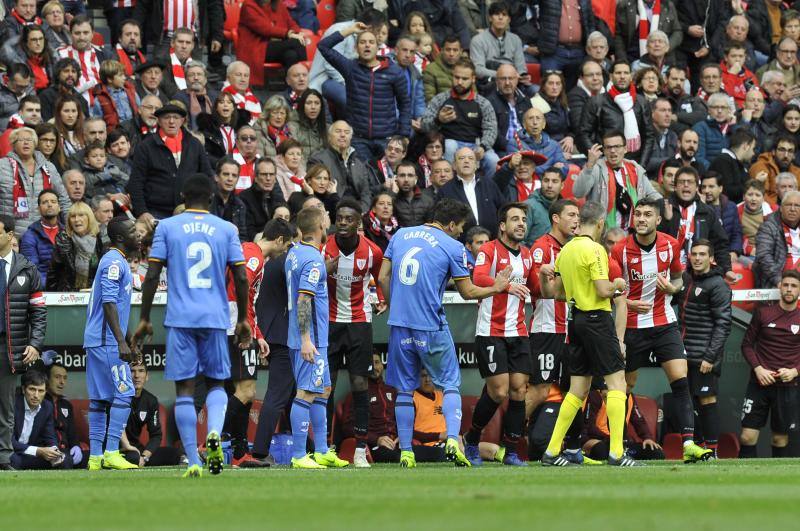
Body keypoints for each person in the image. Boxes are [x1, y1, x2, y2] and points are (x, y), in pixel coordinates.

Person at [132, 174, 252, 478]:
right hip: (214, 318)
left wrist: (144, 317)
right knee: (216, 383)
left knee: (185, 389)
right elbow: (241, 277)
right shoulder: (226, 229)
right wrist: (242, 318)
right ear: (211, 198)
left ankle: (194, 460)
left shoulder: (167, 227)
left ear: (183, 197)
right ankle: (214, 432)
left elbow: (151, 275)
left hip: (180, 318)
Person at [377, 198, 511, 468]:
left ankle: (406, 453)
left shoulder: (400, 235)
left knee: (404, 390)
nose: (461, 233)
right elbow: (468, 292)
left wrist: (395, 306)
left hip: (400, 325)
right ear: (450, 224)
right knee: (449, 384)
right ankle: (452, 440)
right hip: (431, 326)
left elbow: (382, 277)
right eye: (460, 227)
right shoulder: (452, 246)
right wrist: (497, 287)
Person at [610, 198, 714, 463]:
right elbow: (609, 292)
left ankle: (688, 444)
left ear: (658, 220)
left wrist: (673, 288)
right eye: (638, 214)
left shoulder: (670, 244)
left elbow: (678, 279)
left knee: (680, 379)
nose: (641, 219)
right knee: (624, 386)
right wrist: (628, 302)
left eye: (648, 214)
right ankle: (618, 445)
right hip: (632, 326)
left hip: (664, 322)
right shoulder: (620, 250)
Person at [536, 201, 635, 467]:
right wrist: (618, 284)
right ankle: (617, 453)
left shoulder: (566, 250)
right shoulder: (595, 249)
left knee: (577, 389)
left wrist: (545, 277)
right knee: (617, 385)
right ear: (600, 223)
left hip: (575, 321)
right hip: (596, 320)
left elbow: (555, 293)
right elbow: (604, 290)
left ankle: (551, 452)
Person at [464, 202, 533, 467]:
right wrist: (503, 286)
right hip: (491, 331)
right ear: (502, 225)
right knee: (499, 391)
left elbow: (535, 286)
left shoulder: (526, 255)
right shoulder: (489, 250)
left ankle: (511, 451)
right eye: (515, 219)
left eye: (523, 219)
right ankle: (472, 439)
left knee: (519, 390)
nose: (521, 223)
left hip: (519, 331)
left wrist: (547, 276)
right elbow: (478, 277)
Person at [223, 218, 293, 467]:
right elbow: (240, 282)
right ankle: (212, 439)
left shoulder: (249, 251)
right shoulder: (254, 256)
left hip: (238, 326)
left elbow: (249, 298)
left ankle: (240, 452)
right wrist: (244, 326)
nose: (285, 252)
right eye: (287, 246)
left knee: (242, 392)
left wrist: (258, 333)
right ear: (279, 240)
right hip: (236, 328)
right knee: (247, 391)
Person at [283, 206, 348, 469]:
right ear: (321, 225)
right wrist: (306, 339)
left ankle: (321, 450)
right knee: (307, 392)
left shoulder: (295, 252)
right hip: (310, 339)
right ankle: (299, 454)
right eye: (327, 217)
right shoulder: (312, 260)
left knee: (322, 391)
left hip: (310, 337)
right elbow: (303, 300)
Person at [323, 199, 386, 467]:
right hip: (329, 322)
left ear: (358, 223)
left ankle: (360, 449)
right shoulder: (324, 247)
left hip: (359, 322)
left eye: (349, 219)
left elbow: (380, 278)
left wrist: (381, 298)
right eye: (340, 218)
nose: (343, 223)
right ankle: (325, 446)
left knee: (360, 383)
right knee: (326, 386)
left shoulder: (372, 251)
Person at [81, 216, 141, 471]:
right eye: (133, 231)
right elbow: (108, 302)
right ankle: (112, 451)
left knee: (99, 400)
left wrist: (129, 339)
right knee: (124, 392)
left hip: (99, 340)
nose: (138, 235)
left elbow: (116, 306)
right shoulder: (114, 262)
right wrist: (120, 342)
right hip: (106, 341)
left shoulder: (115, 260)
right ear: (119, 238)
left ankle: (95, 457)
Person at [318, 21, 411, 161]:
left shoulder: (394, 72)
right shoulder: (350, 68)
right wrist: (350, 30)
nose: (367, 45)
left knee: (386, 174)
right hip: (358, 139)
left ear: (377, 47)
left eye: (371, 42)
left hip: (386, 139)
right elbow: (323, 46)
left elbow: (405, 104)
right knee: (362, 174)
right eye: (362, 42)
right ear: (356, 48)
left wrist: (403, 135)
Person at [526, 199, 580, 430]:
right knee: (540, 389)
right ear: (556, 218)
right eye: (571, 215)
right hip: (547, 328)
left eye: (578, 215)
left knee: (574, 389)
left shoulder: (575, 247)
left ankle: (571, 444)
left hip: (572, 330)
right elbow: (534, 288)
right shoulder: (542, 247)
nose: (576, 220)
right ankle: (509, 440)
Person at [250, 223, 299, 465]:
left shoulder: (270, 263)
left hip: (271, 332)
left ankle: (304, 446)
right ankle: (259, 451)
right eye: (291, 243)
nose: (293, 248)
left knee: (291, 394)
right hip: (281, 336)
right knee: (277, 395)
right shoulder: (284, 262)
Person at [0, 213, 46, 471]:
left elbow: (38, 311)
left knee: (5, 406)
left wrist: (35, 343)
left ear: (10, 235)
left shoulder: (27, 268)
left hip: (8, 346)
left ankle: (3, 458)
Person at [678, 239, 732, 459]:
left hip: (704, 357)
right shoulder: (686, 278)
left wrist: (710, 357)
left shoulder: (718, 285)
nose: (697, 258)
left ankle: (713, 451)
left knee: (706, 401)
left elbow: (723, 324)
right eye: (694, 254)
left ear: (711, 258)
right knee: (689, 402)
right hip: (684, 354)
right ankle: (698, 448)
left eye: (702, 254)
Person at [738, 269, 800, 458]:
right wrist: (758, 369)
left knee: (779, 439)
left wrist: (794, 372)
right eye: (786, 285)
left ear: (799, 290)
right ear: (780, 287)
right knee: (747, 437)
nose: (789, 289)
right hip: (759, 384)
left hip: (788, 387)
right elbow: (746, 345)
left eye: (794, 286)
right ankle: (742, 475)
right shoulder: (763, 313)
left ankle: (776, 478)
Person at [127, 103, 213, 221]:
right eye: (166, 118)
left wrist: (205, 206)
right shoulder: (145, 146)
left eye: (176, 118)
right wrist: (142, 212)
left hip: (190, 211)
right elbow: (136, 182)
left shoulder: (194, 144)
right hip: (156, 213)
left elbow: (207, 177)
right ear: (159, 121)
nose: (171, 121)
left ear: (182, 121)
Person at [421, 58, 499, 178]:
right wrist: (438, 120)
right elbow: (424, 125)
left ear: (473, 79)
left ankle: (486, 189)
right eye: (456, 77)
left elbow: (491, 129)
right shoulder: (440, 99)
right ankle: (448, 186)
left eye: (464, 79)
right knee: (450, 146)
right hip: (449, 143)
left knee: (493, 160)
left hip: (476, 145)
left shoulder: (483, 103)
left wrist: (483, 147)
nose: (459, 82)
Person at [573, 130, 661, 232]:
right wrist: (589, 166)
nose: (612, 151)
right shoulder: (596, 168)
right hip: (603, 233)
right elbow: (578, 193)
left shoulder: (635, 169)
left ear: (625, 149)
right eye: (608, 147)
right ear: (604, 150)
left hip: (633, 232)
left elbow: (654, 195)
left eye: (617, 146)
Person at [577, 60, 654, 164]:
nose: (622, 76)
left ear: (631, 76)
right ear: (610, 76)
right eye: (618, 73)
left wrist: (642, 165)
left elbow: (649, 136)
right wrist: (600, 161)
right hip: (604, 162)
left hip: (635, 163)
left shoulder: (641, 102)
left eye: (626, 73)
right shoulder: (596, 102)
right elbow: (583, 134)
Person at [659, 166, 732, 274]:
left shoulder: (707, 212)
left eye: (690, 182)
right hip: (667, 271)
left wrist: (727, 270)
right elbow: (651, 239)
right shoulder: (661, 206)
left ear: (697, 187)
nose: (686, 185)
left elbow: (720, 244)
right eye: (682, 182)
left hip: (697, 273)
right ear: (675, 186)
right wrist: (666, 221)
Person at [0, 126, 71, 236]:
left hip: (44, 236)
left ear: (35, 144)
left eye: (29, 140)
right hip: (11, 236)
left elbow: (63, 200)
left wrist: (69, 228)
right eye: (21, 140)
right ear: (13, 144)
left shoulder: (49, 167)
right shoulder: (2, 166)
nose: (26, 143)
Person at [119, 361, 180, 467]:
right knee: (133, 457)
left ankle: (139, 460)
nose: (136, 376)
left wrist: (145, 457)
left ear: (147, 376)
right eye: (132, 371)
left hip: (136, 449)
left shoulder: (150, 401)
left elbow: (156, 435)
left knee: (173, 454)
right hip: (116, 449)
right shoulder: (118, 397)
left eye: (141, 371)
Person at [527, 0, 602, 87]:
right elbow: (528, 7)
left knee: (574, 90)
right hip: (553, 52)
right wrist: (538, 37)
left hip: (579, 51)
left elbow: (590, 22)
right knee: (550, 87)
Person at [237, 0, 307, 89]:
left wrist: (297, 32)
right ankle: (306, 81)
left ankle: (292, 89)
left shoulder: (278, 4)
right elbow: (264, 28)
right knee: (296, 43)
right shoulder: (248, 5)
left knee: (291, 55)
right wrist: (288, 33)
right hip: (258, 48)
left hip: (279, 45)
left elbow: (291, 23)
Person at [308, 121, 375, 212]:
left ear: (350, 138)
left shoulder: (359, 164)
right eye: (338, 131)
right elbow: (317, 190)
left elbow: (366, 193)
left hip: (358, 211)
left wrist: (362, 211)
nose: (343, 135)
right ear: (329, 137)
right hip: (332, 209)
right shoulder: (318, 160)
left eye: (346, 132)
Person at [438, 147, 505, 237]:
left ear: (476, 165)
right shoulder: (445, 190)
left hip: (491, 241)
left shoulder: (489, 184)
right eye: (461, 158)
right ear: (454, 165)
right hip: (460, 242)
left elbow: (503, 209)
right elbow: (441, 222)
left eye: (470, 158)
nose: (466, 161)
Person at [11, 370, 64, 470]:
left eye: (41, 391)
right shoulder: (12, 405)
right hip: (11, 451)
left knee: (63, 460)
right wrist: (38, 451)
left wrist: (54, 451)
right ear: (23, 389)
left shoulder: (47, 407)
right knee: (13, 460)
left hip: (30, 454)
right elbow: (9, 441)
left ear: (45, 392)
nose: (36, 395)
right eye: (32, 389)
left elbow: (50, 436)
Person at [46, 201, 103, 291]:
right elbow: (54, 271)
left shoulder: (99, 238)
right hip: (69, 293)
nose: (76, 219)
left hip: (94, 291)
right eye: (73, 216)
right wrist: (50, 295)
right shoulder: (63, 239)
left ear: (89, 218)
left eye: (81, 215)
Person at [468, 2, 527, 88]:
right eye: (496, 14)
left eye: (504, 15)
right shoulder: (478, 40)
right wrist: (504, 75)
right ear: (490, 18)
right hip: (489, 83)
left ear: (509, 20)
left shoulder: (515, 39)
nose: (500, 17)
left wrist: (523, 75)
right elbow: (478, 70)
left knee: (535, 90)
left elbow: (521, 68)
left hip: (514, 83)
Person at [56, 16, 107, 105]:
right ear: (70, 34)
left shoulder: (104, 54)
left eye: (86, 33)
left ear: (92, 34)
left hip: (102, 105)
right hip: (71, 105)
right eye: (77, 33)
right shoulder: (59, 54)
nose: (81, 37)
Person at [754, 190, 800, 288]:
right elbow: (764, 256)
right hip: (777, 281)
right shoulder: (768, 226)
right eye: (788, 205)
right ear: (781, 208)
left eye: (797, 205)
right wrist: (778, 281)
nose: (792, 209)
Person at [487, 64, 533, 157]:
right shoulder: (489, 102)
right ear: (496, 81)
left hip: (526, 146)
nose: (507, 83)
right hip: (503, 150)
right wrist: (514, 147)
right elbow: (494, 135)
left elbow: (533, 126)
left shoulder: (525, 100)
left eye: (511, 78)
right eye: (503, 79)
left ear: (517, 80)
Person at [19, 189, 62, 286]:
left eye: (53, 201)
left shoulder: (67, 232)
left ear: (59, 207)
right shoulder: (30, 235)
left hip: (66, 287)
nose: (49, 204)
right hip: (43, 288)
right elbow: (32, 270)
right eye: (45, 202)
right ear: (39, 209)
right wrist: (51, 287)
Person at [44, 363, 82, 468]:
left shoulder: (66, 405)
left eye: (65, 378)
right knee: (65, 461)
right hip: (49, 451)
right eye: (57, 377)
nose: (62, 382)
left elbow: (72, 433)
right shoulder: (40, 402)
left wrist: (76, 446)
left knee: (93, 459)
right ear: (47, 379)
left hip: (67, 450)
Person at [701, 172, 744, 260]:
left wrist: (734, 251)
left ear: (720, 188)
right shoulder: (698, 208)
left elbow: (736, 234)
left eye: (711, 186)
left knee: (750, 264)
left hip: (729, 253)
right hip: (707, 255)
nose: (706, 190)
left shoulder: (731, 207)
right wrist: (702, 206)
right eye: (703, 187)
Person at [708, 128, 758, 205]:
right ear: (746, 146)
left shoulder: (740, 165)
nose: (753, 153)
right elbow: (727, 191)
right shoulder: (723, 161)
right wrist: (753, 182)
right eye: (753, 148)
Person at [750, 135, 800, 206]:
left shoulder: (797, 171)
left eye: (790, 151)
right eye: (782, 150)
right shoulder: (760, 167)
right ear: (773, 151)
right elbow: (760, 195)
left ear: (794, 155)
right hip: (769, 209)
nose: (786, 155)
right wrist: (778, 209)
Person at [208, 156, 247, 240]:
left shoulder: (240, 205)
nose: (230, 179)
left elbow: (242, 236)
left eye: (234, 176)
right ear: (216, 177)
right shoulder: (207, 201)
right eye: (226, 174)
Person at [693, 92, 734, 170]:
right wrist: (714, 171)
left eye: (723, 107)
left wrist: (733, 127)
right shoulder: (700, 127)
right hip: (709, 173)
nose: (719, 111)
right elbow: (699, 157)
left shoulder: (733, 127)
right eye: (715, 107)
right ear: (709, 110)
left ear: (729, 110)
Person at [523, 168, 564, 245]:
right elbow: (519, 240)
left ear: (562, 185)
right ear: (541, 182)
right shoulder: (528, 206)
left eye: (554, 181)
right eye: (546, 180)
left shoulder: (565, 209)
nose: (549, 185)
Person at [38, 58, 87, 123]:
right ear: (58, 74)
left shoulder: (81, 100)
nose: (70, 74)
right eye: (66, 71)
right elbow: (45, 123)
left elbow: (86, 123)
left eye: (73, 71)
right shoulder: (46, 96)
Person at [567, 60, 606, 137]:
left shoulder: (606, 92)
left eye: (598, 74)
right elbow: (579, 127)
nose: (595, 78)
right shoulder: (575, 96)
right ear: (581, 78)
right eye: (590, 75)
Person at [740, 180, 776, 258]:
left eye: (757, 195)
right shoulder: (736, 211)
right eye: (750, 195)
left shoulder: (773, 211)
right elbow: (735, 236)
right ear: (743, 197)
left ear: (763, 198)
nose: (754, 199)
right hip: (747, 252)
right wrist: (750, 249)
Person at [394, 160, 434, 228]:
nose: (406, 180)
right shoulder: (391, 200)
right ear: (396, 178)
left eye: (410, 175)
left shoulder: (428, 201)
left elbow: (431, 229)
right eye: (402, 175)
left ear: (416, 179)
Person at [220, 61, 263, 125]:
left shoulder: (256, 101)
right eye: (238, 75)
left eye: (246, 75)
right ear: (228, 78)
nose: (243, 79)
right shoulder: (221, 98)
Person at [644, 98, 678, 177]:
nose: (668, 114)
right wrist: (670, 160)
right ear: (652, 113)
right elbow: (645, 162)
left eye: (669, 110)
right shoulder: (644, 135)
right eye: (663, 110)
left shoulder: (673, 136)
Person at [422, 34, 461, 101]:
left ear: (461, 51)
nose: (451, 54)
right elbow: (429, 99)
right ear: (442, 50)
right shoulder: (430, 70)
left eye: (455, 50)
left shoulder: (467, 69)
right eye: (448, 50)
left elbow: (474, 96)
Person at [291, 89, 327, 158]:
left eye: (317, 103)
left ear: (321, 107)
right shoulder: (293, 126)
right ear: (302, 105)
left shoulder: (327, 128)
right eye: (309, 103)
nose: (313, 107)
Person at [0, 63, 34, 132]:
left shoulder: (30, 90)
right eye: (19, 86)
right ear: (6, 79)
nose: (23, 91)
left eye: (26, 86)